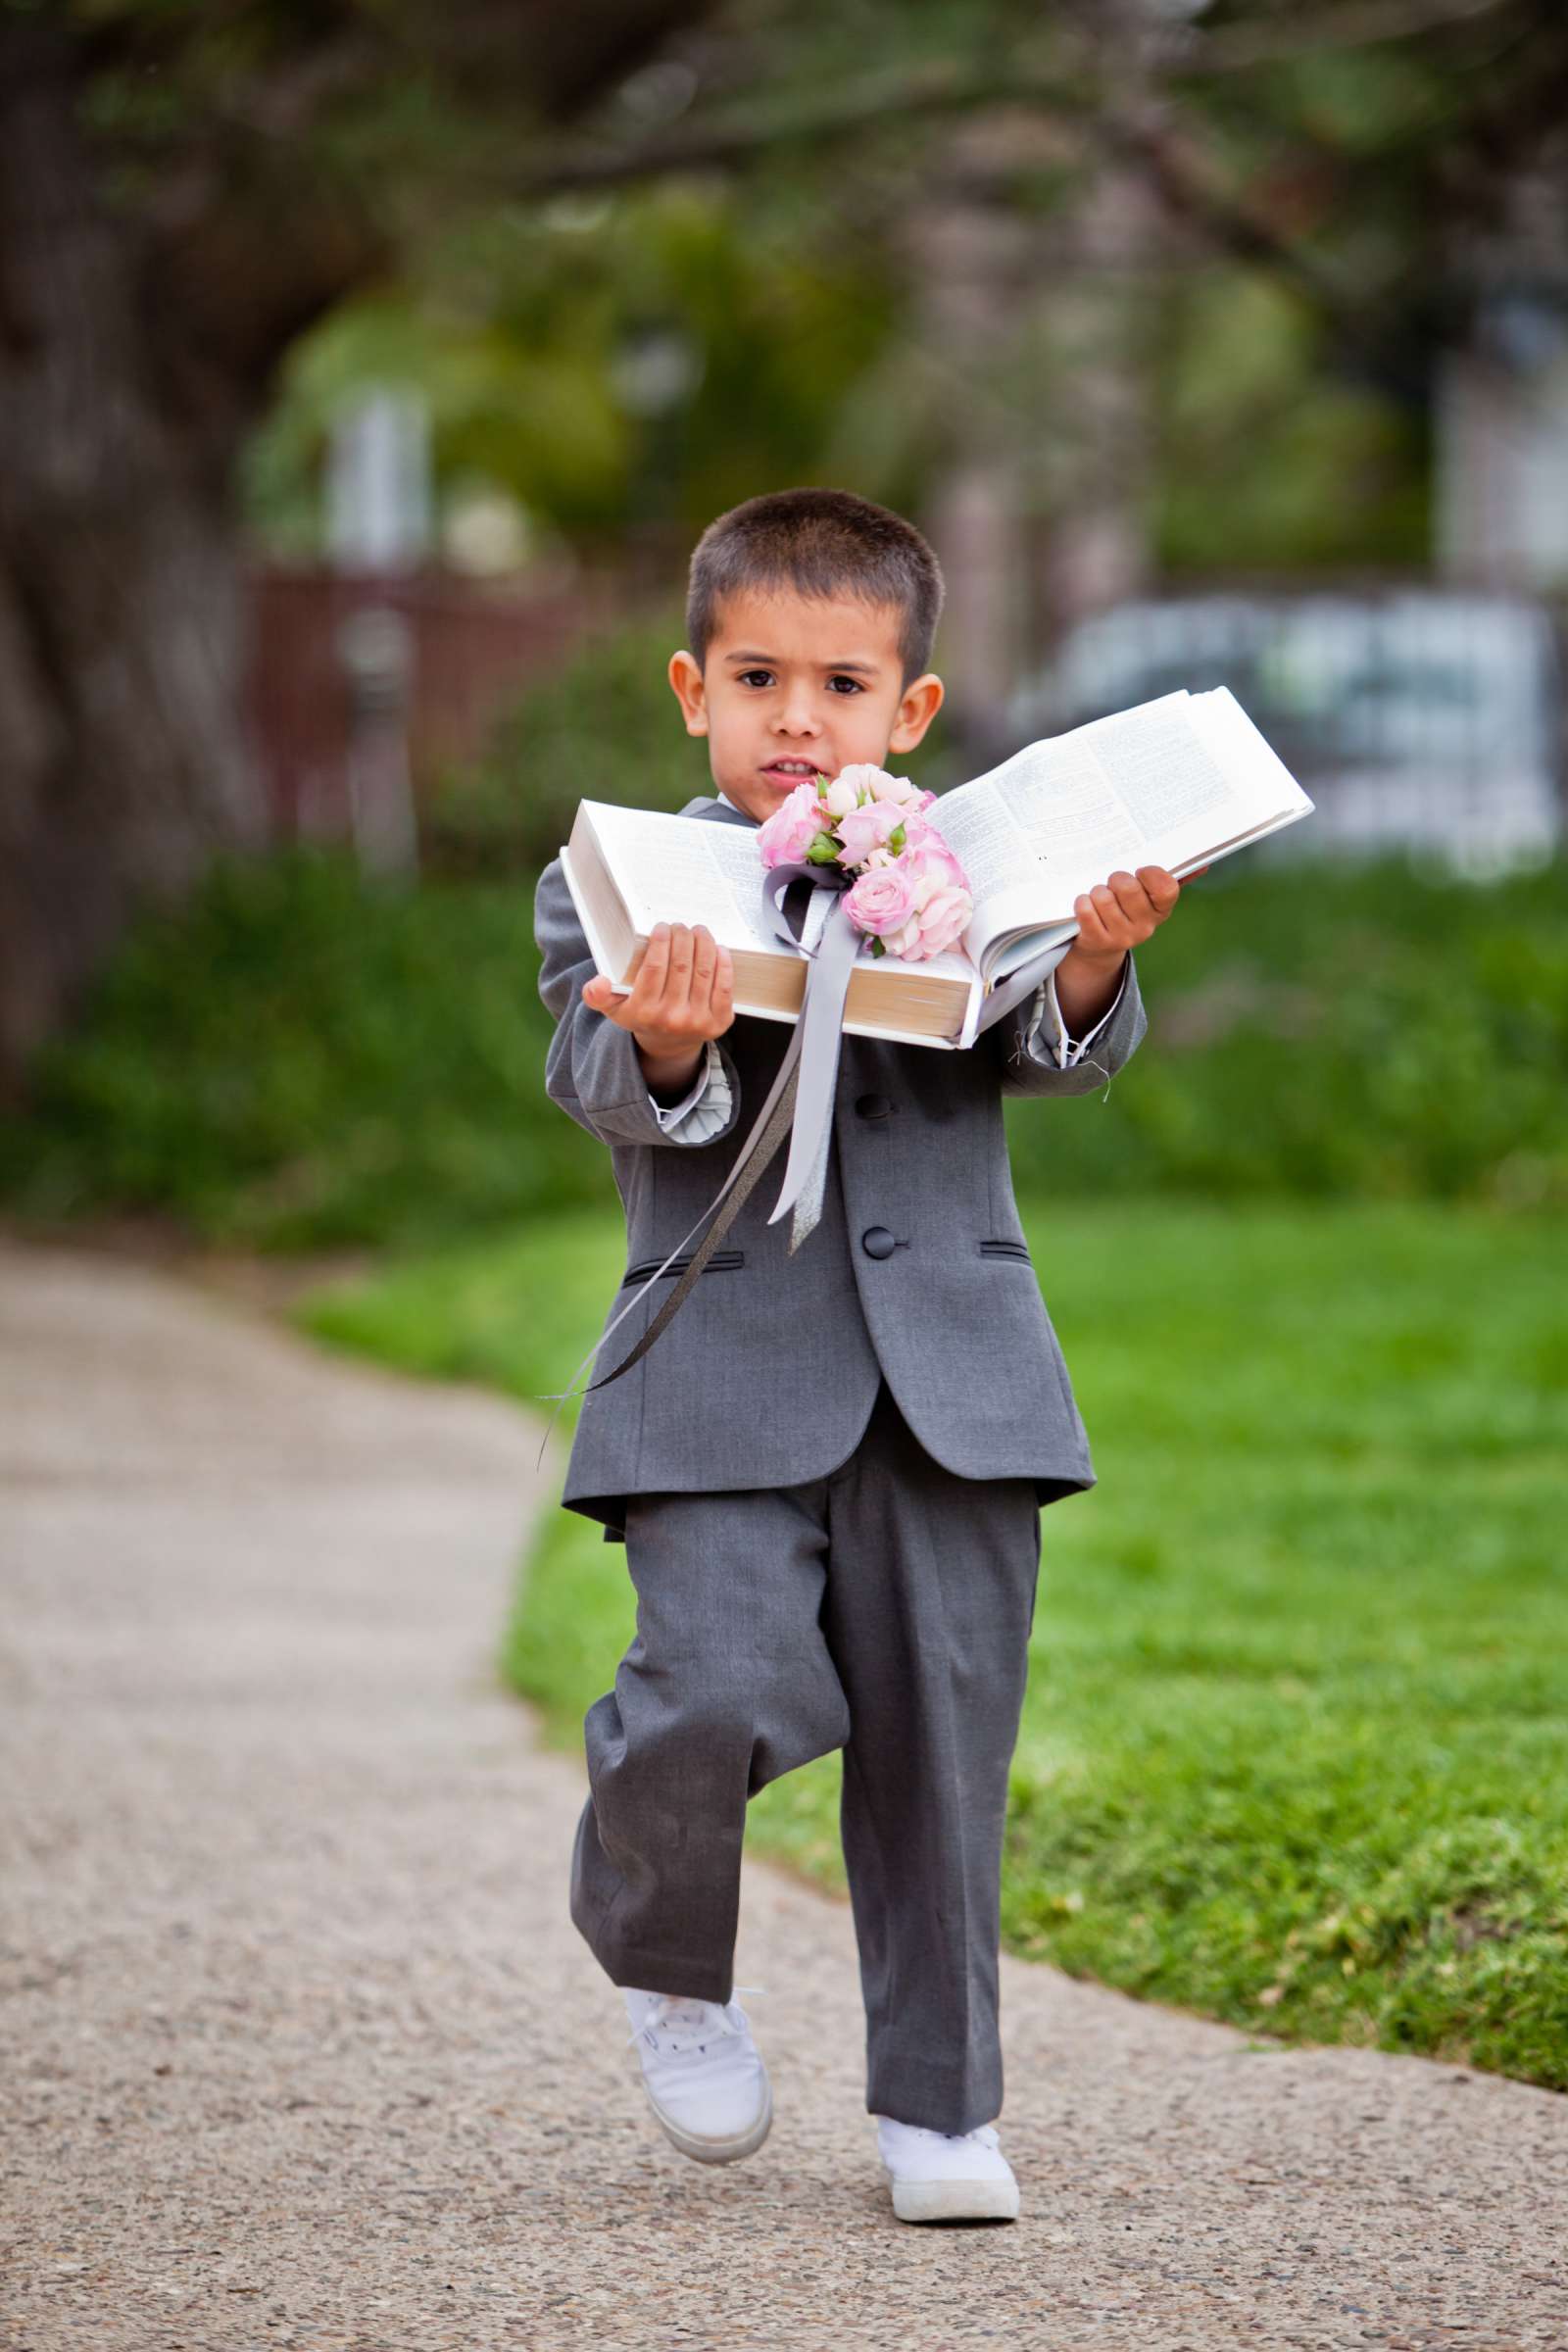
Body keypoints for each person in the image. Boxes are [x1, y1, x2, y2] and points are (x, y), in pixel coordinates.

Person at [534, 486, 1194, 2225]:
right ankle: (666, 1950)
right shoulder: (624, 875)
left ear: (912, 710)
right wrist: (665, 1052)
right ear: (692, 689)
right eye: (757, 680)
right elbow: (592, 1082)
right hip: (713, 1377)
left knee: (944, 1742)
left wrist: (1095, 962)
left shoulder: (970, 874)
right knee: (727, 1682)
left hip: (957, 1382)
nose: (795, 720)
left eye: (840, 684)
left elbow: (1048, 1051)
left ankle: (940, 2109)